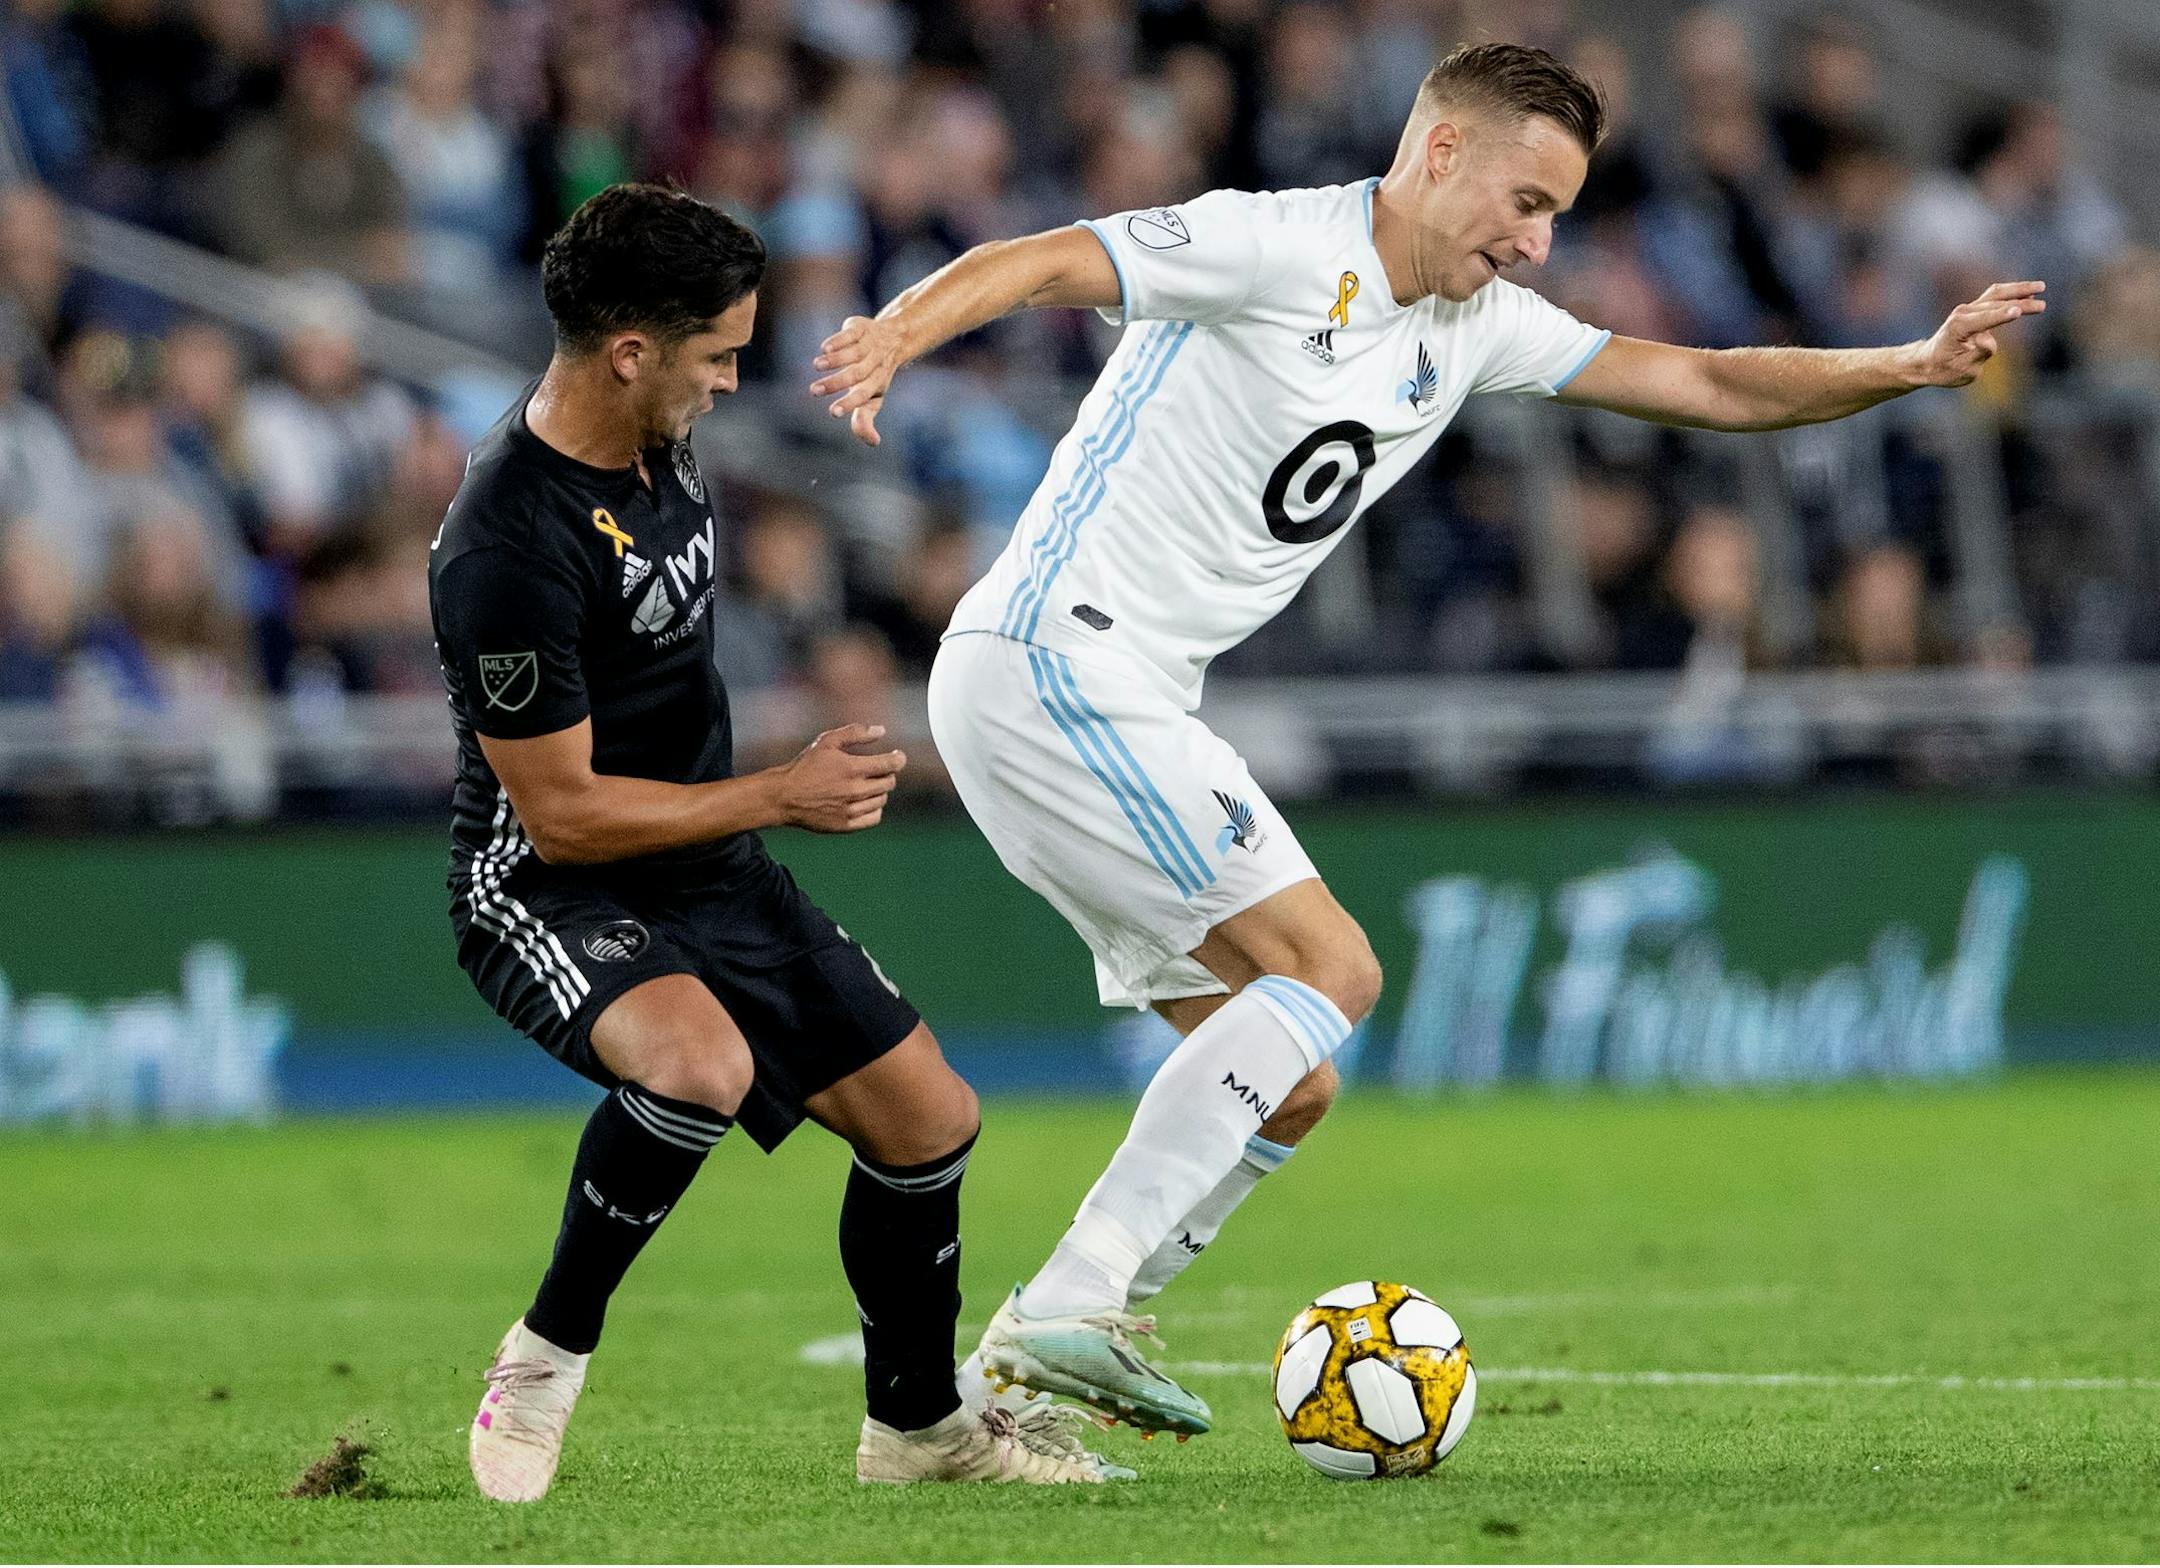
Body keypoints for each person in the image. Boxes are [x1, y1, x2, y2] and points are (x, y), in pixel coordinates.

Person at [809, 41, 2043, 1440]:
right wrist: (895, 332)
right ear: (1439, 151)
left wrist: (1906, 362)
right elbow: (1044, 259)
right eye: (1526, 201)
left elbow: (1709, 385)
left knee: (1296, 1078)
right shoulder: (1270, 244)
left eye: (1560, 217)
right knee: (1331, 968)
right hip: (1055, 661)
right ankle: (1073, 1298)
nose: (1538, 240)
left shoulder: (1472, 328)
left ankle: (995, 1402)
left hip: (1122, 694)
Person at [428, 183, 1109, 1502]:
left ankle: (917, 1435)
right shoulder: (506, 545)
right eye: (718, 354)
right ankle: (547, 1352)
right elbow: (560, 812)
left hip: (710, 865)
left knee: (930, 1122)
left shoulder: (655, 439)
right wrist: (776, 795)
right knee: (699, 1067)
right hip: (549, 888)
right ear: (630, 353)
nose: (734, 381)